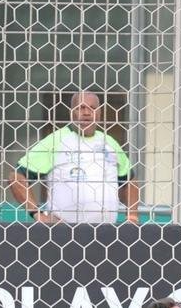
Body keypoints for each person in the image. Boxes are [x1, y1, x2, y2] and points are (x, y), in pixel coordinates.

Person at [10, 90, 139, 224]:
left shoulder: (109, 143)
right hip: (64, 234)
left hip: (106, 233)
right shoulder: (57, 140)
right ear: (72, 113)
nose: (87, 113)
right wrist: (37, 213)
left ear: (100, 113)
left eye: (93, 108)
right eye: (81, 108)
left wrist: (132, 217)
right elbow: (16, 178)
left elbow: (129, 180)